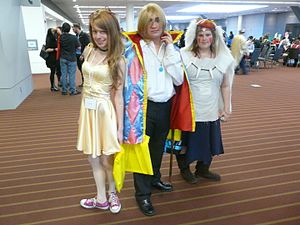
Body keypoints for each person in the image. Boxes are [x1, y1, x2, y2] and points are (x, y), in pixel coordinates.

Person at [122, 3, 194, 216]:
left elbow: (179, 79)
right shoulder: (134, 49)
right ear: (142, 24)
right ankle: (142, 194)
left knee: (157, 147)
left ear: (163, 23)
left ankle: (154, 179)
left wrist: (170, 48)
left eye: (157, 20)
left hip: (166, 106)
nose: (154, 25)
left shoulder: (171, 48)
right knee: (141, 150)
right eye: (149, 21)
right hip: (143, 107)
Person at [76, 9, 125, 214]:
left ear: (112, 31)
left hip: (105, 111)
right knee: (92, 157)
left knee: (107, 159)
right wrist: (80, 116)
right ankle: (101, 198)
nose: (99, 36)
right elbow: (86, 85)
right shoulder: (88, 50)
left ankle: (112, 192)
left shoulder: (118, 59)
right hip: (87, 109)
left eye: (103, 31)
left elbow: (118, 95)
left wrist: (120, 128)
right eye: (95, 31)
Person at [180, 18, 235, 183]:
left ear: (214, 37)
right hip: (188, 108)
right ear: (195, 37)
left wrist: (227, 107)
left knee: (209, 141)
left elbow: (225, 86)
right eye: (201, 35)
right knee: (185, 142)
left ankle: (203, 169)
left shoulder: (224, 58)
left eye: (207, 35)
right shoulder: (183, 55)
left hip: (211, 107)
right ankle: (185, 170)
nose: (204, 38)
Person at [60, 22, 81, 95]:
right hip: (72, 58)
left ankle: (64, 90)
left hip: (62, 58)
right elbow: (79, 47)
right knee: (71, 75)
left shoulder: (60, 37)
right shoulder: (73, 37)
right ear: (69, 29)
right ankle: (72, 90)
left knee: (63, 74)